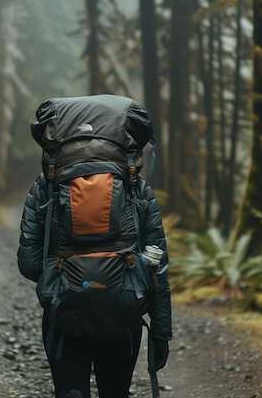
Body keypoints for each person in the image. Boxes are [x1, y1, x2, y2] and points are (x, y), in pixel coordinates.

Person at [17, 96, 172, 398]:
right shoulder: (137, 188)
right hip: (123, 316)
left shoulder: (46, 185)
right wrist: (161, 333)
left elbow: (29, 264)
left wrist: (69, 278)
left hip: (65, 314)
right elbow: (158, 269)